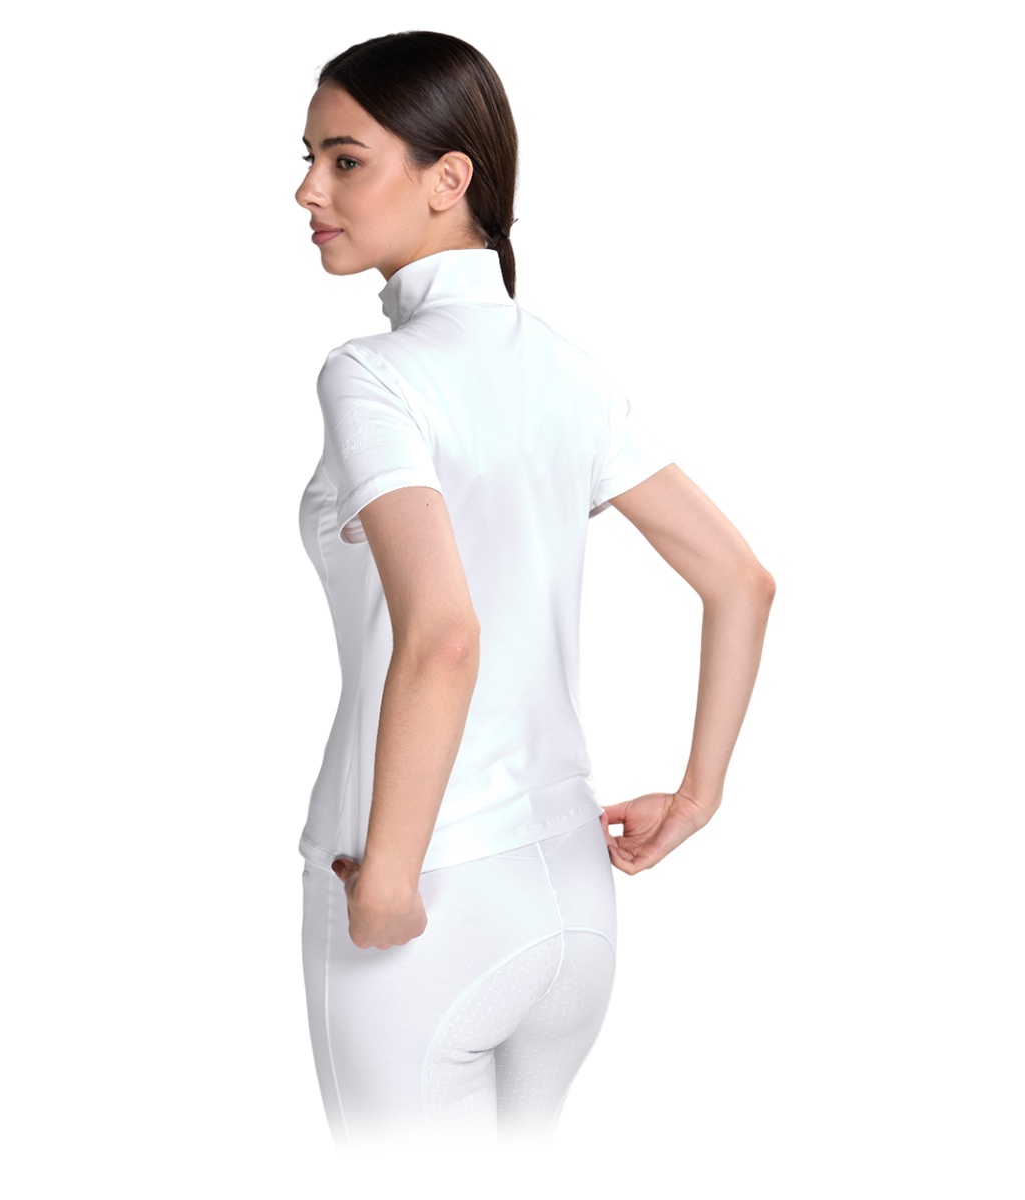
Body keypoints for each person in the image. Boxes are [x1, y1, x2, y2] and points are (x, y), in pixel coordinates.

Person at [294, 31, 775, 1153]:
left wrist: (388, 879)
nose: (308, 190)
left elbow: (443, 634)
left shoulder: (371, 376)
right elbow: (740, 581)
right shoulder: (569, 368)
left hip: (422, 898)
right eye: (309, 158)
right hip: (571, 895)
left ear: (449, 178)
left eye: (345, 160)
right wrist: (696, 797)